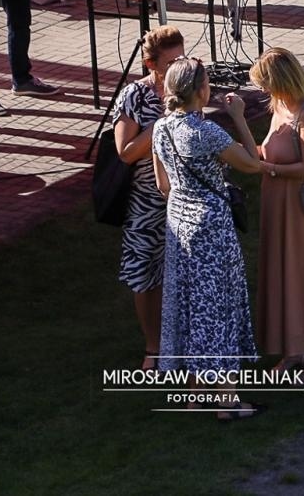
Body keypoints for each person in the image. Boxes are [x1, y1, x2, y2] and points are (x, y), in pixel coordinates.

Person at [151, 57, 269, 419]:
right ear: (200, 90)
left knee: (189, 306)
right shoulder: (207, 133)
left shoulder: (160, 129)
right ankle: (228, 402)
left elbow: (163, 185)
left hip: (179, 223)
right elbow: (254, 163)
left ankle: (195, 395)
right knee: (218, 308)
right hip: (211, 228)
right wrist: (238, 117)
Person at [250, 48, 304, 385]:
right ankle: (293, 351)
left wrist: (265, 169)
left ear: (281, 81)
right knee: (282, 274)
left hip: (300, 207)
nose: (264, 92)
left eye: (266, 84)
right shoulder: (279, 107)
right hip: (276, 203)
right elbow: (265, 150)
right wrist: (241, 137)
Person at [112, 25, 185, 369]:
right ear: (150, 63)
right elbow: (125, 152)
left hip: (184, 199)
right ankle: (153, 346)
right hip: (145, 201)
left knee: (183, 271)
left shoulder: (189, 88)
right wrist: (161, 124)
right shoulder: (133, 97)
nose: (178, 67)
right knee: (145, 274)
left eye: (182, 58)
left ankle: (182, 341)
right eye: (171, 61)